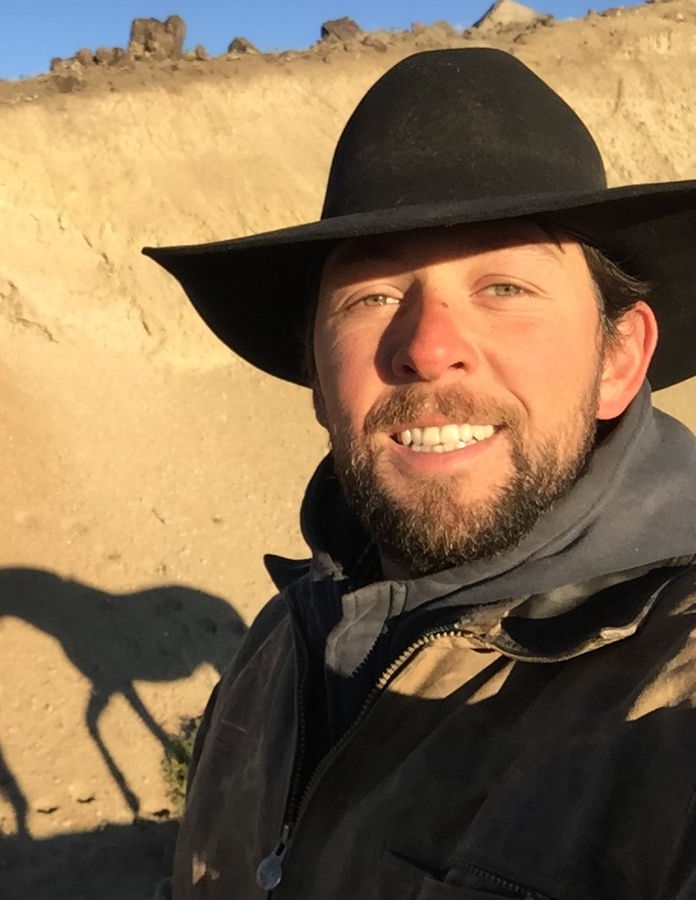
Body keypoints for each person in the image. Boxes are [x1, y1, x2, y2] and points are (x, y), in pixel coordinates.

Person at [143, 48, 696, 898]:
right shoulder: (280, 648)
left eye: (505, 286)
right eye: (370, 297)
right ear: (320, 381)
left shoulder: (670, 686)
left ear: (619, 357)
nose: (430, 348)